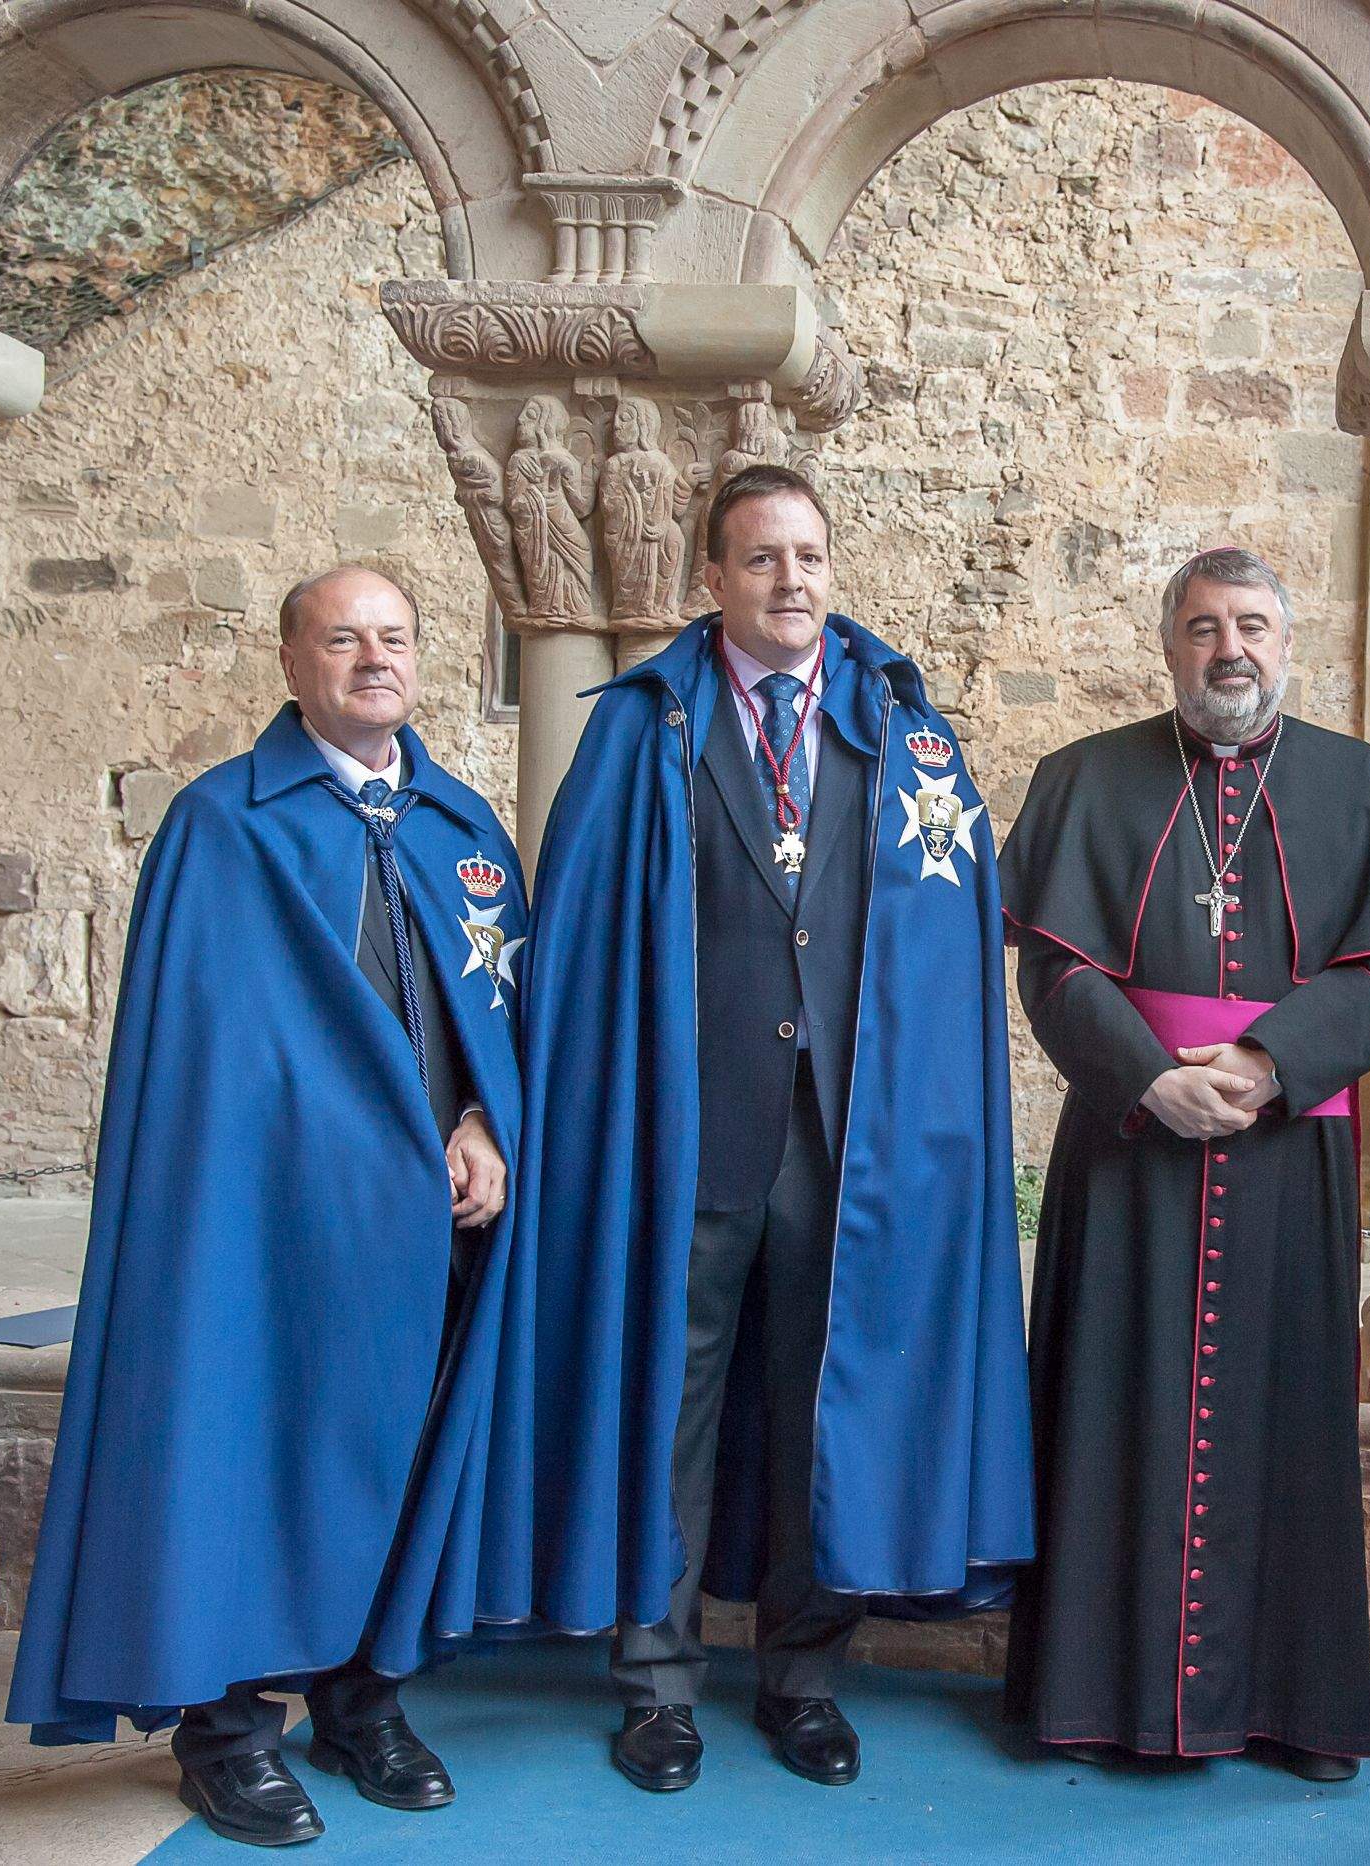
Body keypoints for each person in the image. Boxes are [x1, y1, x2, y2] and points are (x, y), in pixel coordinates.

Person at [516, 463, 1031, 1794]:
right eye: (760, 559)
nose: (789, 579)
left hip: (846, 1140)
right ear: (712, 579)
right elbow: (580, 937)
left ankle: (803, 1677)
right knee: (668, 1407)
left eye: (807, 556)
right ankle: (659, 1683)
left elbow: (949, 948)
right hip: (687, 1130)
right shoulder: (642, 729)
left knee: (827, 1401)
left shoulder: (902, 732)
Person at [6, 567, 531, 1850]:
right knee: (247, 1448)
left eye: (395, 639)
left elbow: (499, 1021)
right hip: (266, 1225)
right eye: (342, 639)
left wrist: (484, 1125)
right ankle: (230, 1732)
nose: (373, 660)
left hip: (430, 1225)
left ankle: (362, 1702)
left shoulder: (465, 830)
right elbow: (206, 1059)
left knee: (401, 1454)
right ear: (291, 662)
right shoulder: (222, 828)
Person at [996, 545, 1370, 1778]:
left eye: (1251, 624)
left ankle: (1289, 1707)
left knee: (1288, 1416)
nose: (1230, 650)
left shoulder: (1364, 789)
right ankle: (1097, 1697)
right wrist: (1151, 1076)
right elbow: (1054, 968)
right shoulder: (1085, 779)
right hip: (1128, 1139)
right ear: (1169, 646)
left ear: (1288, 642)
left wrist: (1264, 1065)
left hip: (1285, 1150)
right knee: (1112, 1406)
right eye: (1204, 627)